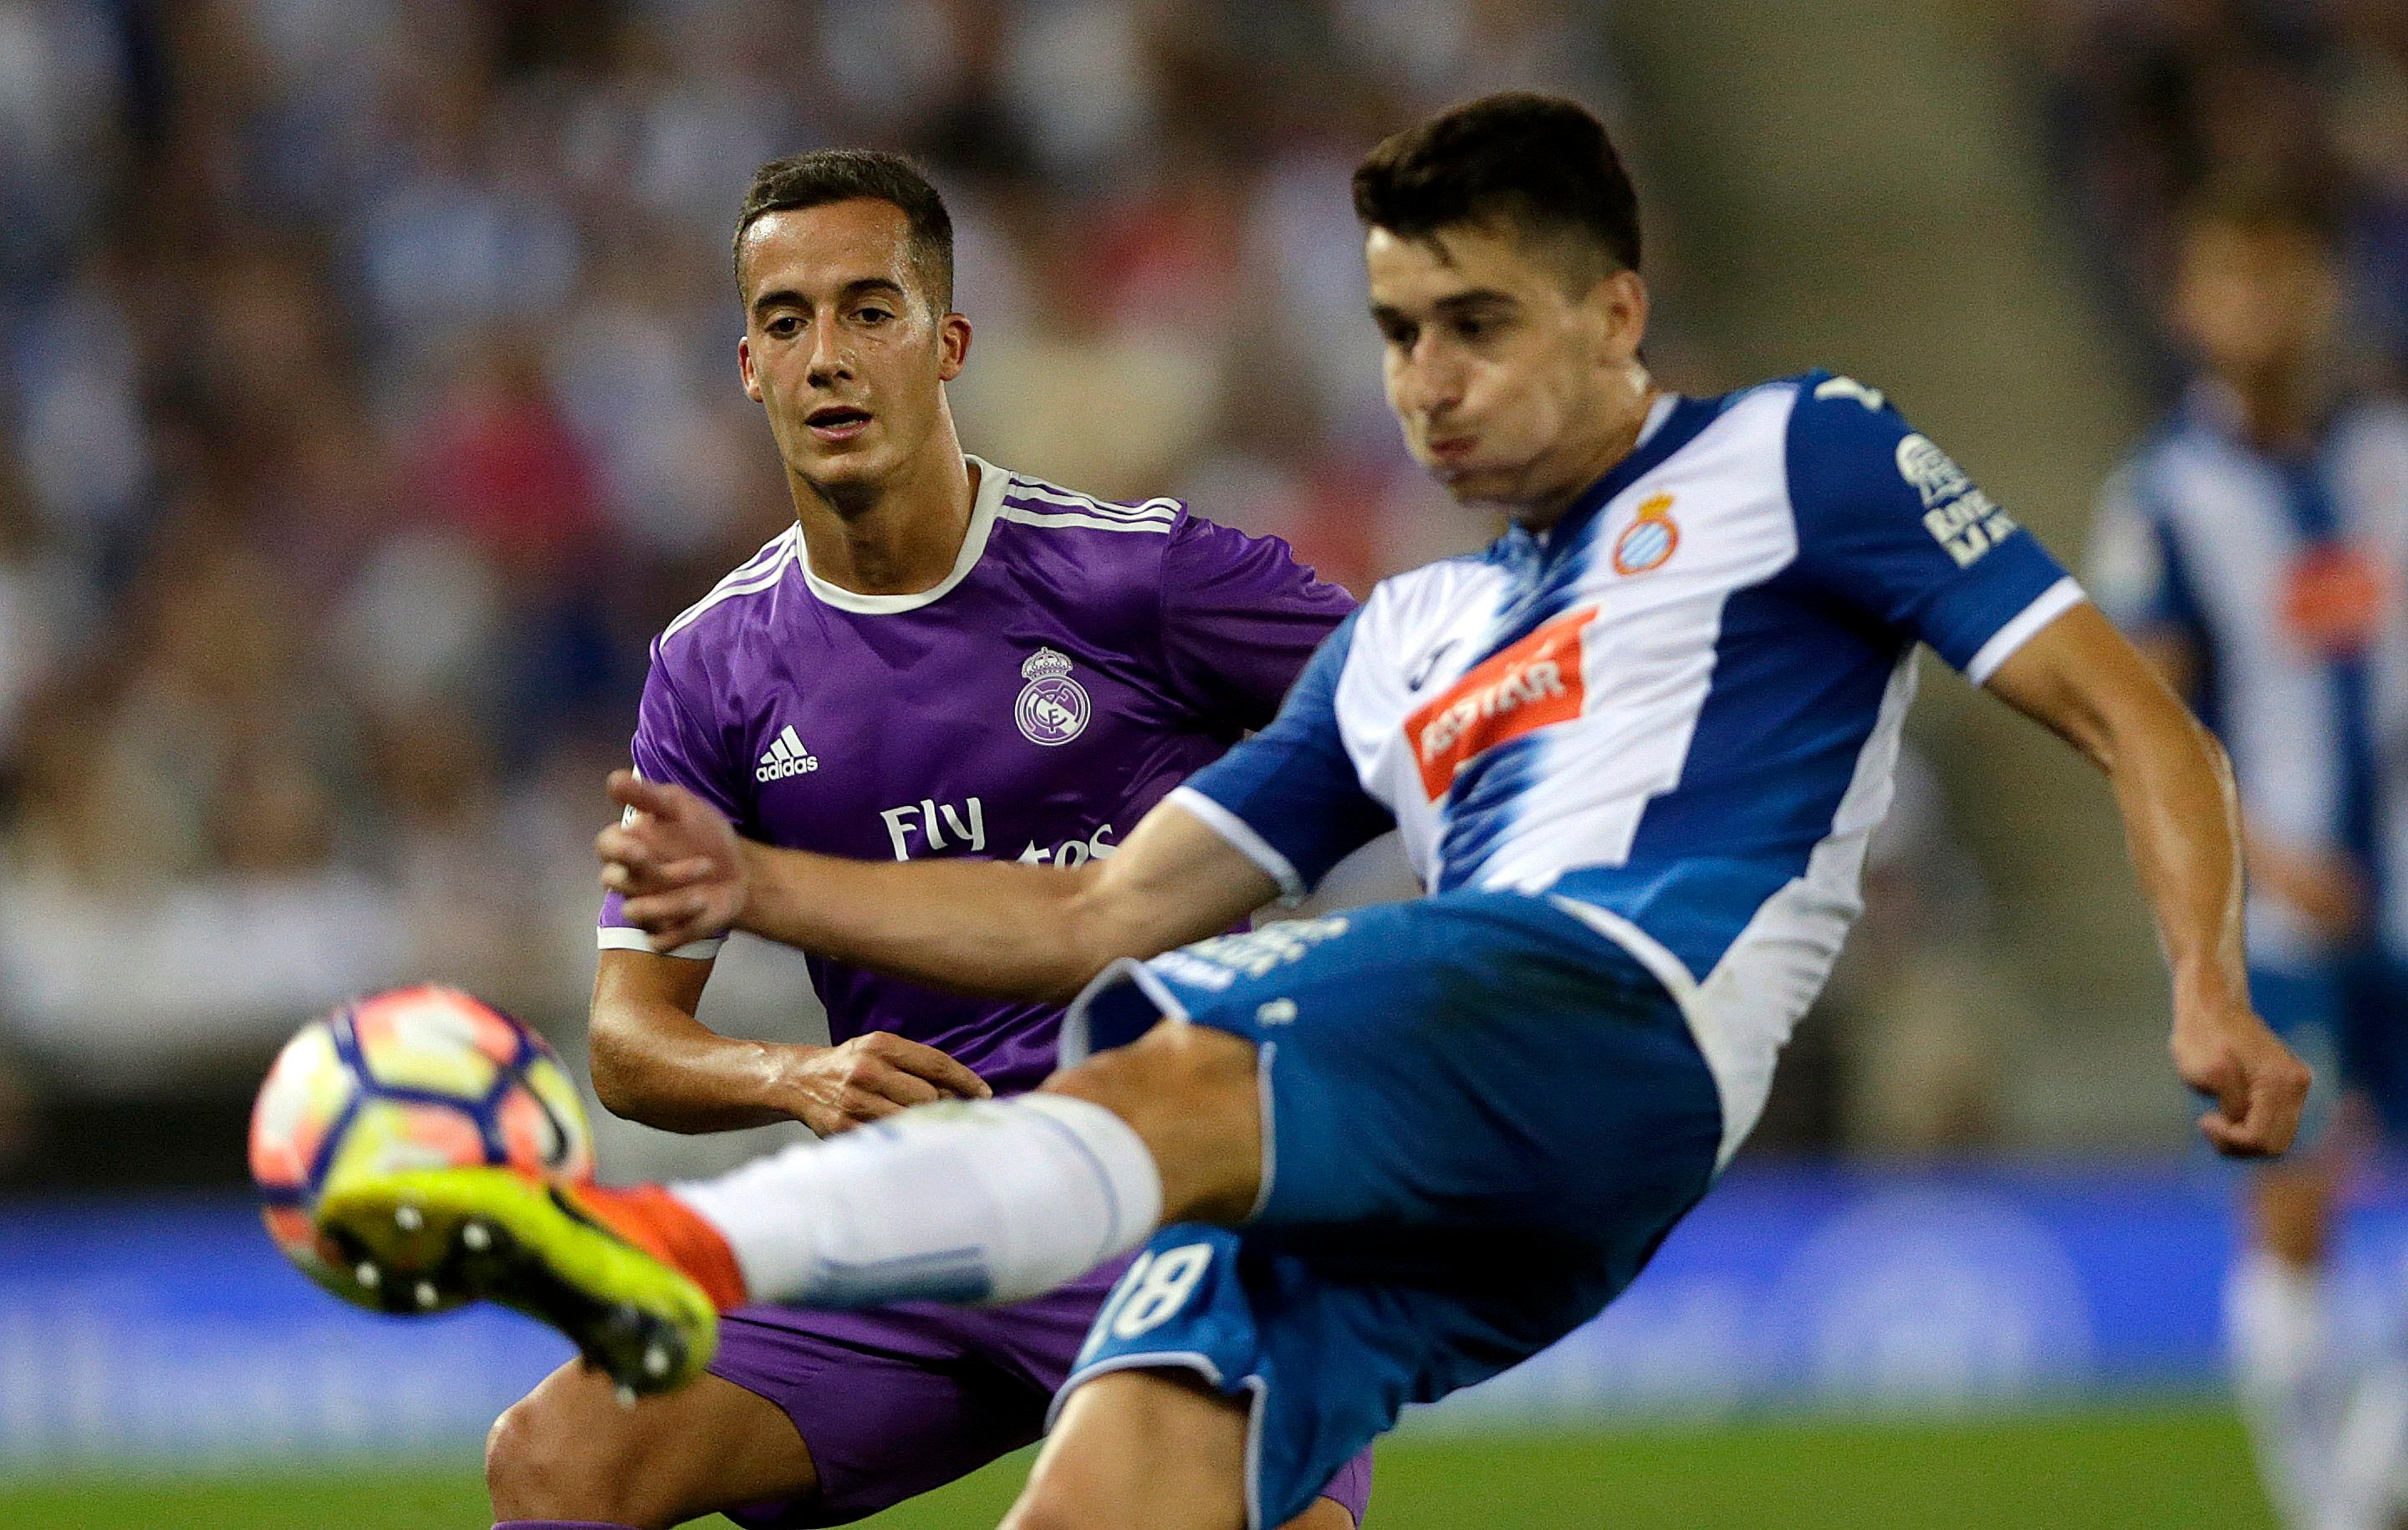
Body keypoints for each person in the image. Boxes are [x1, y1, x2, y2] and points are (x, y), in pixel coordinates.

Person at [324, 94, 2310, 1530]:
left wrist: (2206, 987)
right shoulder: (1422, 634)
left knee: (1173, 1065)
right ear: (742, 357)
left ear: (1617, 316)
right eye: (1397, 336)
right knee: (595, 1463)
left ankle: (673, 1250)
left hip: (1548, 1021)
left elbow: (2138, 717)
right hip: (1363, 1174)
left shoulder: (1796, 452)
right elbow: (1096, 910)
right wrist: (763, 911)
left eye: (1474, 325)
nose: (1425, 384)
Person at [463, 150, 1370, 1530]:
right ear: (749, 369)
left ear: (946, 344)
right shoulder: (711, 668)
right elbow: (629, 1038)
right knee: (555, 1455)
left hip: (1170, 1199)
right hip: (919, 1217)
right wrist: (797, 1072)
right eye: (786, 322)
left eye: (868, 311)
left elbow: (1431, 702)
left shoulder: (1143, 580)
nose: (827, 357)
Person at [2089, 183, 2408, 1530]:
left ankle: (2381, 1466)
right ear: (2188, 302)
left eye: (2284, 274)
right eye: (2234, 277)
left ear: (2325, 288)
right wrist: (2267, 866)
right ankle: (2329, 1507)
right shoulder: (2163, 497)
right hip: (2280, 929)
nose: (2262, 306)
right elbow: (2151, 725)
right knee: (2294, 1218)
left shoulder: (2394, 458)